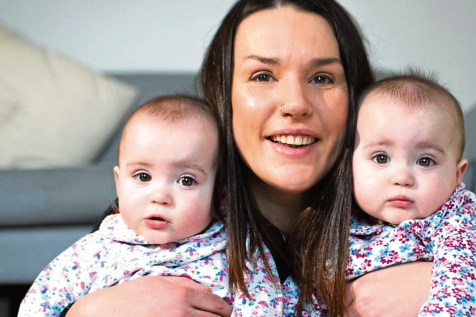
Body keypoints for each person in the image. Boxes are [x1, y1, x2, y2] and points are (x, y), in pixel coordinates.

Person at [64, 0, 476, 317]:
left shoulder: (413, 212)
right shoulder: (159, 210)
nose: (295, 104)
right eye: (263, 76)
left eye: (323, 78)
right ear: (222, 95)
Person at [19, 95, 283, 316]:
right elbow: (38, 306)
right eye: (143, 176)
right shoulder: (94, 251)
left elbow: (269, 306)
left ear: (220, 196)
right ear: (118, 183)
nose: (160, 196)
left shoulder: (238, 250)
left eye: (186, 180)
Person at [347, 72, 476, 316]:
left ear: (457, 175)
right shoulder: (338, 222)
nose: (402, 177)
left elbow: (464, 282)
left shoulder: (453, 222)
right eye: (381, 157)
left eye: (425, 161)